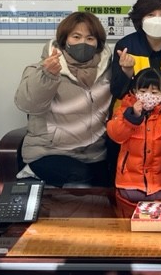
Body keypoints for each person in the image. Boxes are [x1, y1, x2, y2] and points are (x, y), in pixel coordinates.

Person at [14, 11, 112, 187]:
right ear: (64, 40)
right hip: (50, 152)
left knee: (111, 182)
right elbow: (27, 104)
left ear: (98, 43)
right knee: (81, 179)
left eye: (90, 38)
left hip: (94, 154)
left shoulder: (107, 72)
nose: (83, 43)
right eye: (76, 36)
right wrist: (47, 76)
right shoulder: (41, 69)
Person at [106, 67, 161, 216]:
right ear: (135, 91)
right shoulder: (124, 110)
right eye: (143, 91)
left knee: (156, 227)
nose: (148, 95)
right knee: (127, 226)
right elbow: (115, 135)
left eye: (154, 92)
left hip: (159, 186)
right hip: (128, 186)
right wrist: (133, 117)